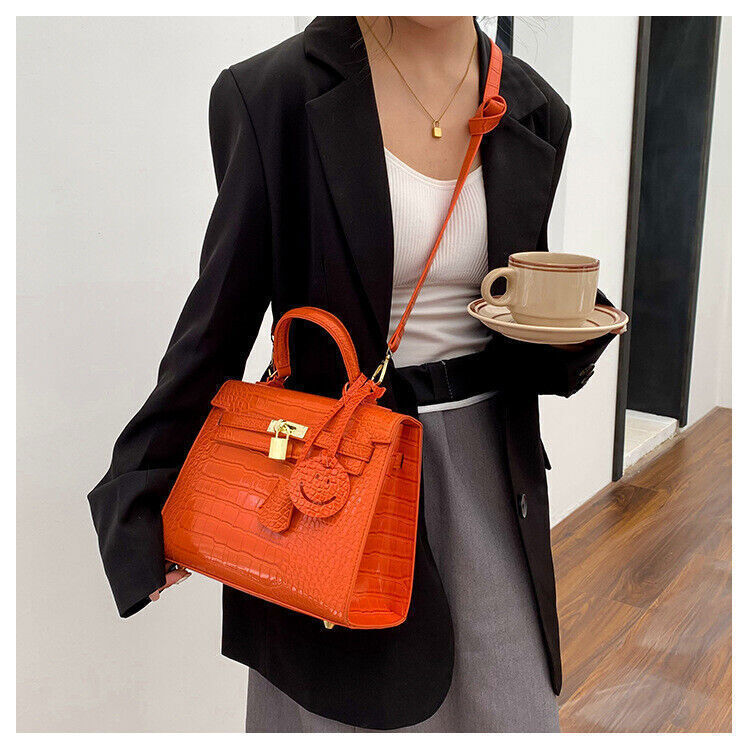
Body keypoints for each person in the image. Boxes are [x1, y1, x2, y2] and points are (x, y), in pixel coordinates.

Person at [89, 16, 619, 732]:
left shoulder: (535, 105)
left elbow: (513, 293)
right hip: (331, 478)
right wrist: (144, 490)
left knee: (509, 709)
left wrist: (571, 330)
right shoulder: (272, 93)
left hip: (490, 474)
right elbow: (220, 314)